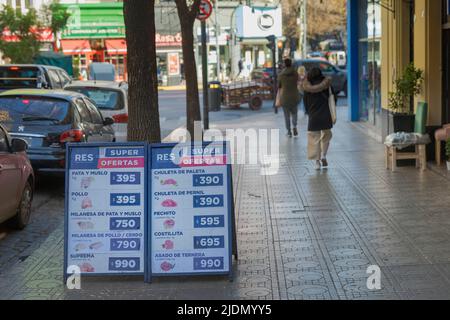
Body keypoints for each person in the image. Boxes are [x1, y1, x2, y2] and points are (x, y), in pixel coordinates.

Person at [302, 67, 335, 170]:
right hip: (325, 114)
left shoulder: (307, 88)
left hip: (313, 116)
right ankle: (324, 156)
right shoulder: (327, 85)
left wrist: (308, 112)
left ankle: (317, 163)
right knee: (326, 135)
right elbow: (333, 98)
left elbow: (305, 103)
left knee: (314, 139)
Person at [278, 58, 300, 138]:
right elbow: (298, 81)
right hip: (294, 96)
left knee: (286, 116)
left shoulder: (281, 75)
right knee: (294, 113)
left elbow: (279, 86)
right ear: (291, 64)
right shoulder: (295, 73)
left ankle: (289, 131)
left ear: (284, 64)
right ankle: (294, 126)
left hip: (285, 97)